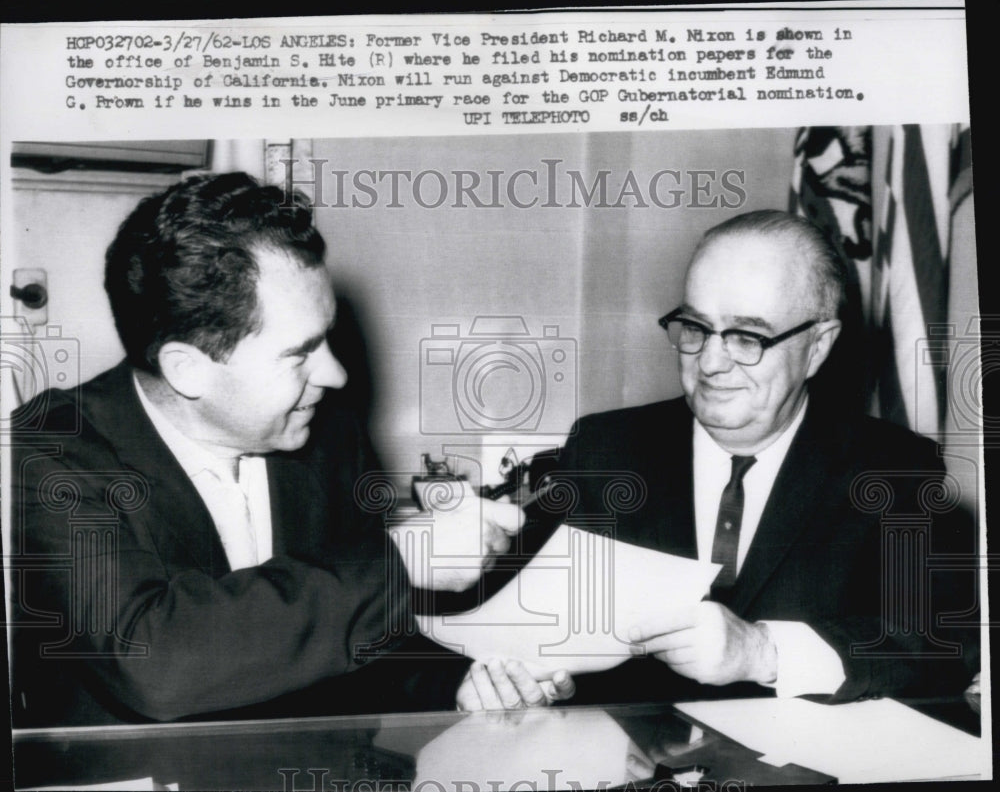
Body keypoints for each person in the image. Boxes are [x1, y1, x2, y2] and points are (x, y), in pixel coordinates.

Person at [8, 172, 572, 726]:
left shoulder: (326, 435)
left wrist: (466, 681)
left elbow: (357, 635)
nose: (337, 374)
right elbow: (153, 662)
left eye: (326, 338)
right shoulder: (46, 452)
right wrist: (403, 560)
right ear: (188, 369)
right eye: (299, 353)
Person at [537, 210, 978, 705]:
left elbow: (944, 645)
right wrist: (528, 679)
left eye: (747, 337)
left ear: (817, 347)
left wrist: (763, 652)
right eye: (695, 326)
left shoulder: (893, 469)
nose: (709, 362)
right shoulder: (604, 449)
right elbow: (531, 622)